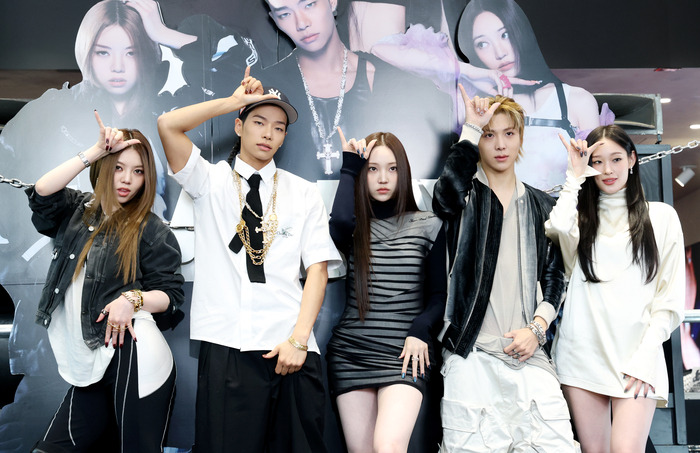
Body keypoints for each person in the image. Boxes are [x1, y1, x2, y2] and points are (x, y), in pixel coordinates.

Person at [157, 67, 342, 453]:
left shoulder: (303, 193)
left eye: (278, 127)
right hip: (228, 346)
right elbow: (168, 126)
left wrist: (299, 340)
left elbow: (318, 271)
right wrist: (233, 101)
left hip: (291, 346)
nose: (268, 133)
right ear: (239, 126)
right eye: (259, 122)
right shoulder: (210, 182)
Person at [26, 112, 185, 452]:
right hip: (92, 359)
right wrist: (95, 151)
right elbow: (41, 192)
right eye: (119, 167)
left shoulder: (152, 229)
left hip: (135, 353)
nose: (127, 179)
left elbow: (171, 296)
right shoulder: (75, 209)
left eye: (138, 171)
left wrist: (132, 299)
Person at [432, 87, 576, 451]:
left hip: (528, 353)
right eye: (489, 135)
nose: (500, 144)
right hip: (471, 353)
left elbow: (556, 276)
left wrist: (537, 329)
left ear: (520, 138)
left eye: (509, 133)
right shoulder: (465, 198)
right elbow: (445, 196)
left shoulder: (542, 204)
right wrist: (470, 127)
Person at [544, 125, 685, 452]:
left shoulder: (661, 218)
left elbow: (669, 300)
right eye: (597, 161)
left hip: (637, 356)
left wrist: (647, 355)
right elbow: (557, 227)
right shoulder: (580, 221)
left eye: (616, 159)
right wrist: (575, 176)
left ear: (632, 159)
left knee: (626, 448)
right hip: (581, 355)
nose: (607, 170)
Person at [325, 128, 446, 452]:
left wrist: (420, 329)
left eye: (392, 168)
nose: (382, 178)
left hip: (406, 352)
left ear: (403, 172)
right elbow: (339, 224)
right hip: (352, 351)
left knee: (389, 446)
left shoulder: (428, 224)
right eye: (373, 169)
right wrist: (349, 165)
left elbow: (439, 296)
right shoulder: (355, 228)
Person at [260, 0, 452, 181]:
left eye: (309, 4)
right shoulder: (265, 88)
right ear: (274, 19)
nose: (301, 23)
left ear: (332, 1)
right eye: (284, 14)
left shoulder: (390, 82)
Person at [456, 0, 601, 191]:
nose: (500, 53)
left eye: (505, 34)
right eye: (482, 44)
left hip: (564, 208)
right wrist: (471, 71)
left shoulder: (577, 100)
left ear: (521, 31)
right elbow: (419, 58)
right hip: (501, 209)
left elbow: (597, 180)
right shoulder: (477, 107)